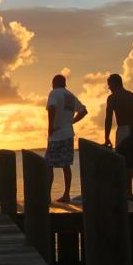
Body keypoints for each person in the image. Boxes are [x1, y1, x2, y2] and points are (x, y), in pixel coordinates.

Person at [45, 74, 88, 203]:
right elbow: (84, 111)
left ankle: (47, 195)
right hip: (68, 134)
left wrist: (51, 127)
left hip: (56, 135)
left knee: (48, 164)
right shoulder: (70, 95)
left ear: (54, 83)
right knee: (66, 165)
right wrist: (71, 122)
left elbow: (52, 108)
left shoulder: (54, 93)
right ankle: (66, 194)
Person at [103, 73, 133, 200]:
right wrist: (131, 113)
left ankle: (128, 193)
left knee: (125, 163)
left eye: (109, 85)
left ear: (114, 84)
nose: (109, 88)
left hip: (123, 129)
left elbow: (108, 118)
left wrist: (106, 137)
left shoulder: (112, 98)